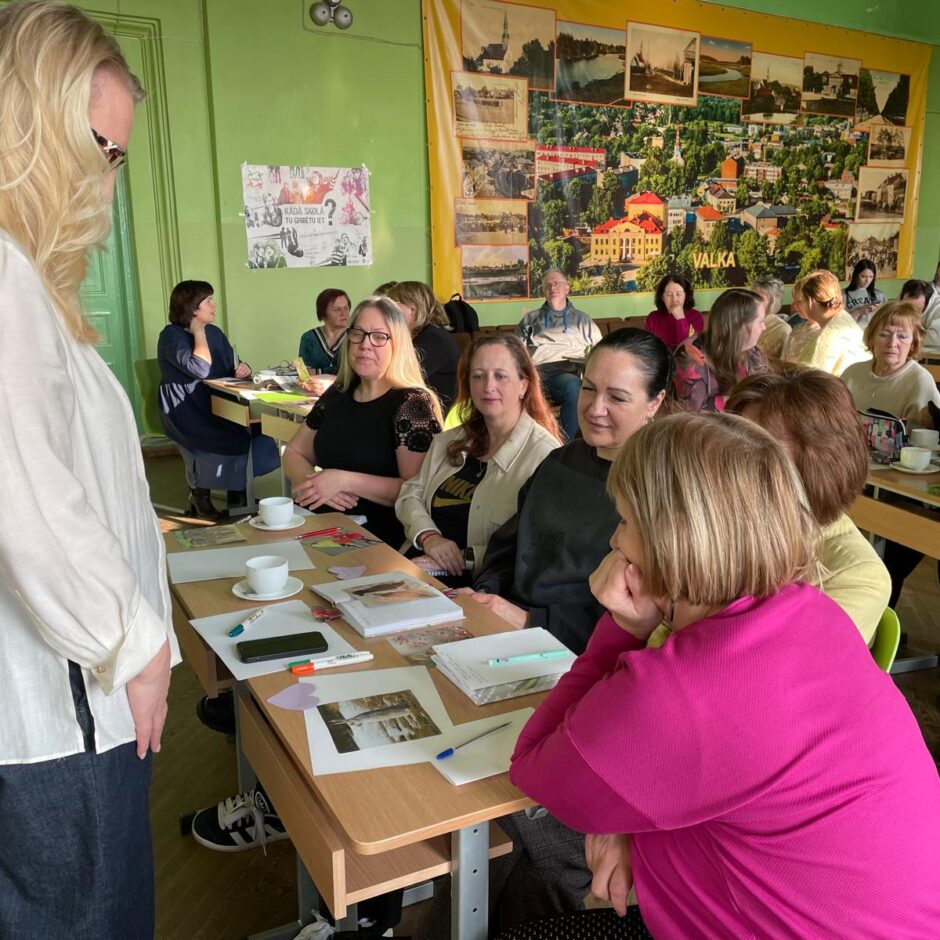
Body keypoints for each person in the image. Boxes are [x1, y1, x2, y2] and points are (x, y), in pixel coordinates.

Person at [503, 413, 940, 940]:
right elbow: (736, 781)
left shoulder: (685, 688)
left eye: (624, 522)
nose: (614, 540)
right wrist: (630, 826)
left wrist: (622, 628)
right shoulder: (811, 611)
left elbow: (534, 765)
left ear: (672, 541)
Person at [0, 4, 179, 936]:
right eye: (104, 152)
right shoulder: (3, 277)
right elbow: (30, 505)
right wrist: (135, 643)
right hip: (66, 708)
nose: (109, 182)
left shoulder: (24, 276)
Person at [725, 367, 891, 644]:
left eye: (757, 455)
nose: (729, 468)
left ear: (820, 465)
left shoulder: (859, 577)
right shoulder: (730, 523)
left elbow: (772, 663)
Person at [396, 334, 561, 585]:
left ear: (524, 385)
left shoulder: (545, 456)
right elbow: (411, 494)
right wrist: (430, 537)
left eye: (500, 376)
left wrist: (460, 558)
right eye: (478, 376)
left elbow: (537, 546)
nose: (488, 386)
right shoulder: (448, 440)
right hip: (418, 562)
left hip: (478, 585)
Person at [283, 295, 443, 548]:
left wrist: (343, 481)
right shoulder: (338, 393)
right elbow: (294, 452)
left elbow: (417, 490)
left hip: (376, 538)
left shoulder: (412, 404)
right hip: (320, 525)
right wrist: (313, 484)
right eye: (358, 334)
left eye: (379, 336)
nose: (365, 345)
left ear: (398, 344)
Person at [157, 280, 278, 520]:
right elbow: (200, 369)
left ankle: (238, 491)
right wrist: (198, 331)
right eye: (208, 301)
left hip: (217, 403)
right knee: (227, 437)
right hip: (186, 409)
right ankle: (201, 495)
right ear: (192, 307)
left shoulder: (215, 332)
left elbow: (231, 364)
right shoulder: (171, 336)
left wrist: (243, 368)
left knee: (259, 431)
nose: (214, 305)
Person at [516, 268, 602, 441]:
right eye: (547, 285)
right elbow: (515, 353)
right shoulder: (530, 320)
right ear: (543, 291)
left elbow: (601, 351)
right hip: (538, 375)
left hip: (569, 375)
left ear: (567, 288)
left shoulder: (582, 320)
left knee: (574, 386)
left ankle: (563, 444)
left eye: (556, 283)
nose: (552, 287)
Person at [841, 300, 940, 427]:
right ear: (872, 338)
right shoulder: (852, 373)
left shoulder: (920, 381)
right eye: (884, 334)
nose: (892, 343)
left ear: (913, 344)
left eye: (902, 337)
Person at [672, 287, 768, 413]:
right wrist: (744, 399)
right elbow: (693, 412)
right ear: (740, 325)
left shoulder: (751, 352)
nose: (764, 327)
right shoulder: (690, 354)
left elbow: (764, 392)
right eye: (761, 321)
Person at [386, 280, 461, 408]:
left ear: (412, 309)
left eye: (393, 305)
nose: (387, 311)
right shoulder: (428, 335)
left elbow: (398, 378)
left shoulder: (433, 339)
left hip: (438, 415)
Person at [796, 269, 869, 376]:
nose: (797, 306)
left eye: (800, 301)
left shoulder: (825, 338)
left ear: (811, 302)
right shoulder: (844, 319)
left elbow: (810, 380)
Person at [297, 288, 350, 394]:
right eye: (337, 309)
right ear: (323, 312)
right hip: (313, 395)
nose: (343, 313)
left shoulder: (355, 337)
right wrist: (335, 371)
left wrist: (318, 372)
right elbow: (303, 374)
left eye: (346, 308)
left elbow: (352, 374)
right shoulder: (308, 338)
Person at [643, 274, 703, 350]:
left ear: (686, 296)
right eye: (669, 295)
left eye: (679, 294)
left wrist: (680, 318)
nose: (674, 299)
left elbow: (687, 349)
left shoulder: (696, 317)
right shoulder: (653, 318)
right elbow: (649, 349)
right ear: (662, 297)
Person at [751, 274, 791, 360]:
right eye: (752, 296)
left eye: (759, 298)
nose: (753, 301)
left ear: (773, 303)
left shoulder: (782, 329)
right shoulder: (744, 321)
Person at [843, 258, 886, 326]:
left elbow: (887, 320)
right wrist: (860, 311)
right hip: (853, 330)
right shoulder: (844, 295)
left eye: (871, 277)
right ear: (856, 275)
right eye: (863, 276)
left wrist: (879, 311)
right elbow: (841, 323)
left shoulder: (879, 295)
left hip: (872, 331)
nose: (867, 280)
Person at [900, 277, 940, 348]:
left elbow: (936, 338)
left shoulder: (937, 307)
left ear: (927, 303)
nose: (910, 312)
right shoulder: (901, 300)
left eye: (916, 309)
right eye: (906, 307)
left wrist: (904, 337)